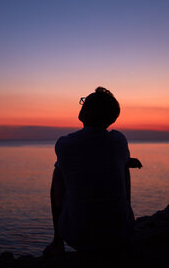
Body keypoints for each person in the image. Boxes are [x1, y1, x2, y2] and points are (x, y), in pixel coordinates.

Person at [43, 87, 141, 257]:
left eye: (84, 102)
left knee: (58, 172)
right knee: (125, 164)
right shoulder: (119, 140)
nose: (81, 104)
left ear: (87, 111)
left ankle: (57, 241)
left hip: (79, 236)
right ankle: (124, 217)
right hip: (119, 234)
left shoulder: (66, 143)